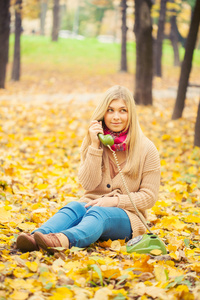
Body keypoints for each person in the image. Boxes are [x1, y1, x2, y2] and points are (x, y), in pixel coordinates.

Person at [16, 85, 160, 254]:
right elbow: (88, 184)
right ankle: (36, 238)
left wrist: (114, 201)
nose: (116, 117)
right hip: (90, 206)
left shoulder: (147, 149)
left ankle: (60, 241)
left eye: (123, 111)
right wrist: (95, 146)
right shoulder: (93, 141)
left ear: (131, 114)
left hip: (129, 217)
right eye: (110, 110)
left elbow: (149, 197)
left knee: (100, 214)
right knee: (74, 207)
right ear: (103, 114)